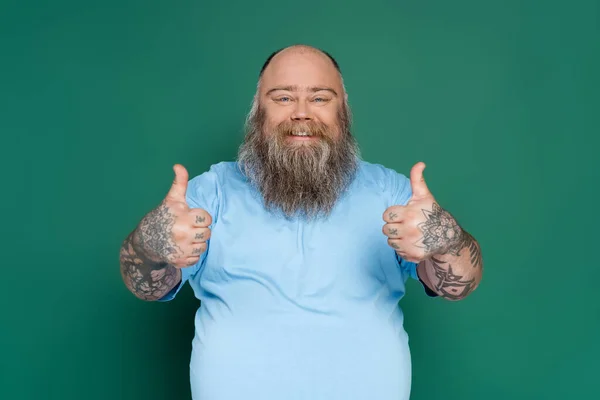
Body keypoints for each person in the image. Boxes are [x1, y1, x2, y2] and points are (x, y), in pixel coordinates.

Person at [119, 44, 483, 400]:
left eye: (321, 98)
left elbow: (458, 286)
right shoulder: (209, 193)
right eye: (282, 98)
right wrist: (152, 243)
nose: (301, 113)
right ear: (257, 112)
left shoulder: (392, 192)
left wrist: (445, 240)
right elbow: (146, 287)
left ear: (344, 112)